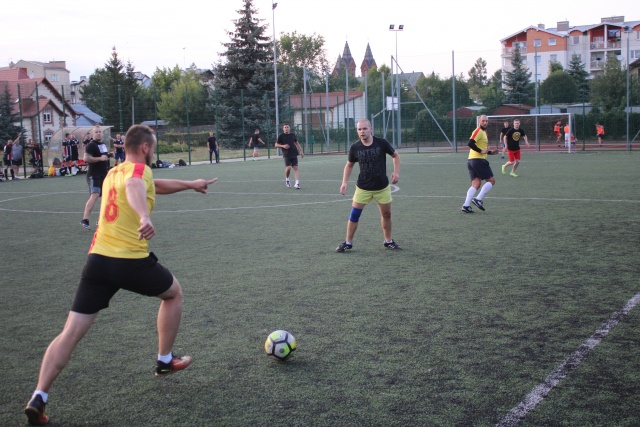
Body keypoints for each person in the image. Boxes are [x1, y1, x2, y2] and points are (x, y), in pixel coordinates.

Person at [24, 124, 217, 426]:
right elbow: (137, 187)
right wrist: (144, 216)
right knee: (174, 294)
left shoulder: (115, 171)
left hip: (97, 262)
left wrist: (190, 184)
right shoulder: (138, 172)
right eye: (154, 147)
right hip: (129, 261)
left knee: (70, 332)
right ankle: (165, 360)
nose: (154, 152)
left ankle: (39, 396)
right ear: (145, 147)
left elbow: (152, 184)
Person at [335, 118, 401, 252]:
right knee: (354, 215)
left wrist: (396, 172)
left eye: (364, 128)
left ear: (371, 129)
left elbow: (395, 156)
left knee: (387, 214)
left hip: (382, 187)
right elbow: (349, 165)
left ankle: (388, 241)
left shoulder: (381, 143)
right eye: (359, 129)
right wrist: (344, 183)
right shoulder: (355, 148)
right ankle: (348, 242)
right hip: (363, 188)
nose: (362, 131)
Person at [461, 114, 499, 213]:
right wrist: (480, 151)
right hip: (478, 160)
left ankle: (466, 205)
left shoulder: (484, 133)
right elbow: (470, 143)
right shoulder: (478, 131)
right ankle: (478, 199)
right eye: (483, 121)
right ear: (479, 121)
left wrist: (491, 152)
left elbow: (482, 149)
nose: (485, 122)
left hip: (471, 161)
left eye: (486, 121)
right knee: (491, 180)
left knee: (476, 183)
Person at [80, 128, 110, 230]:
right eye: (96, 132)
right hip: (94, 174)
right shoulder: (91, 145)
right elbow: (86, 158)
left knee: (107, 196)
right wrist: (100, 158)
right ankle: (85, 219)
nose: (98, 133)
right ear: (93, 134)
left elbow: (104, 156)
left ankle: (101, 219)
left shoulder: (103, 144)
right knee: (95, 195)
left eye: (100, 132)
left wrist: (109, 155)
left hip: (104, 175)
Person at [274, 123, 304, 189]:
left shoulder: (293, 135)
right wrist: (283, 146)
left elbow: (297, 143)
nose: (286, 128)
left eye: (287, 127)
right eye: (285, 127)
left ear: (289, 128)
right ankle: (287, 179)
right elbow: (276, 145)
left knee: (295, 168)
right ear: (283, 129)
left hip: (294, 153)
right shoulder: (281, 136)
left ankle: (297, 183)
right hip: (286, 154)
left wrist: (301, 151)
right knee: (288, 168)